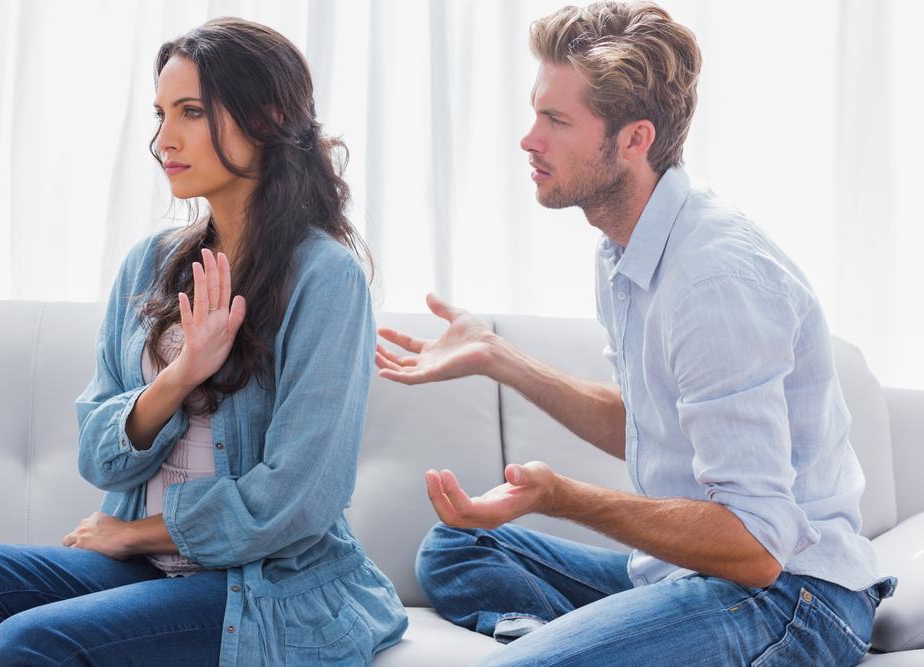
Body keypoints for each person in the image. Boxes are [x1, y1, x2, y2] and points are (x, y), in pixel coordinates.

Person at [374, 3, 895, 665]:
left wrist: (565, 496)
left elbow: (758, 549)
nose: (529, 139)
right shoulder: (626, 250)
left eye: (557, 120)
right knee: (456, 546)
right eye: (536, 112)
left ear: (634, 140)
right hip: (687, 575)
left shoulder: (715, 278)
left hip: (795, 598)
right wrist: (499, 358)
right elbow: (646, 420)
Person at [0, 17, 406, 666]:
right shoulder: (150, 263)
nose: (163, 139)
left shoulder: (326, 278)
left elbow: (297, 500)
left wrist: (132, 533)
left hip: (260, 586)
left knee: (23, 644)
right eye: (159, 113)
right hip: (152, 570)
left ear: (265, 118)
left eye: (190, 112)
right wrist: (178, 377)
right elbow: (98, 452)